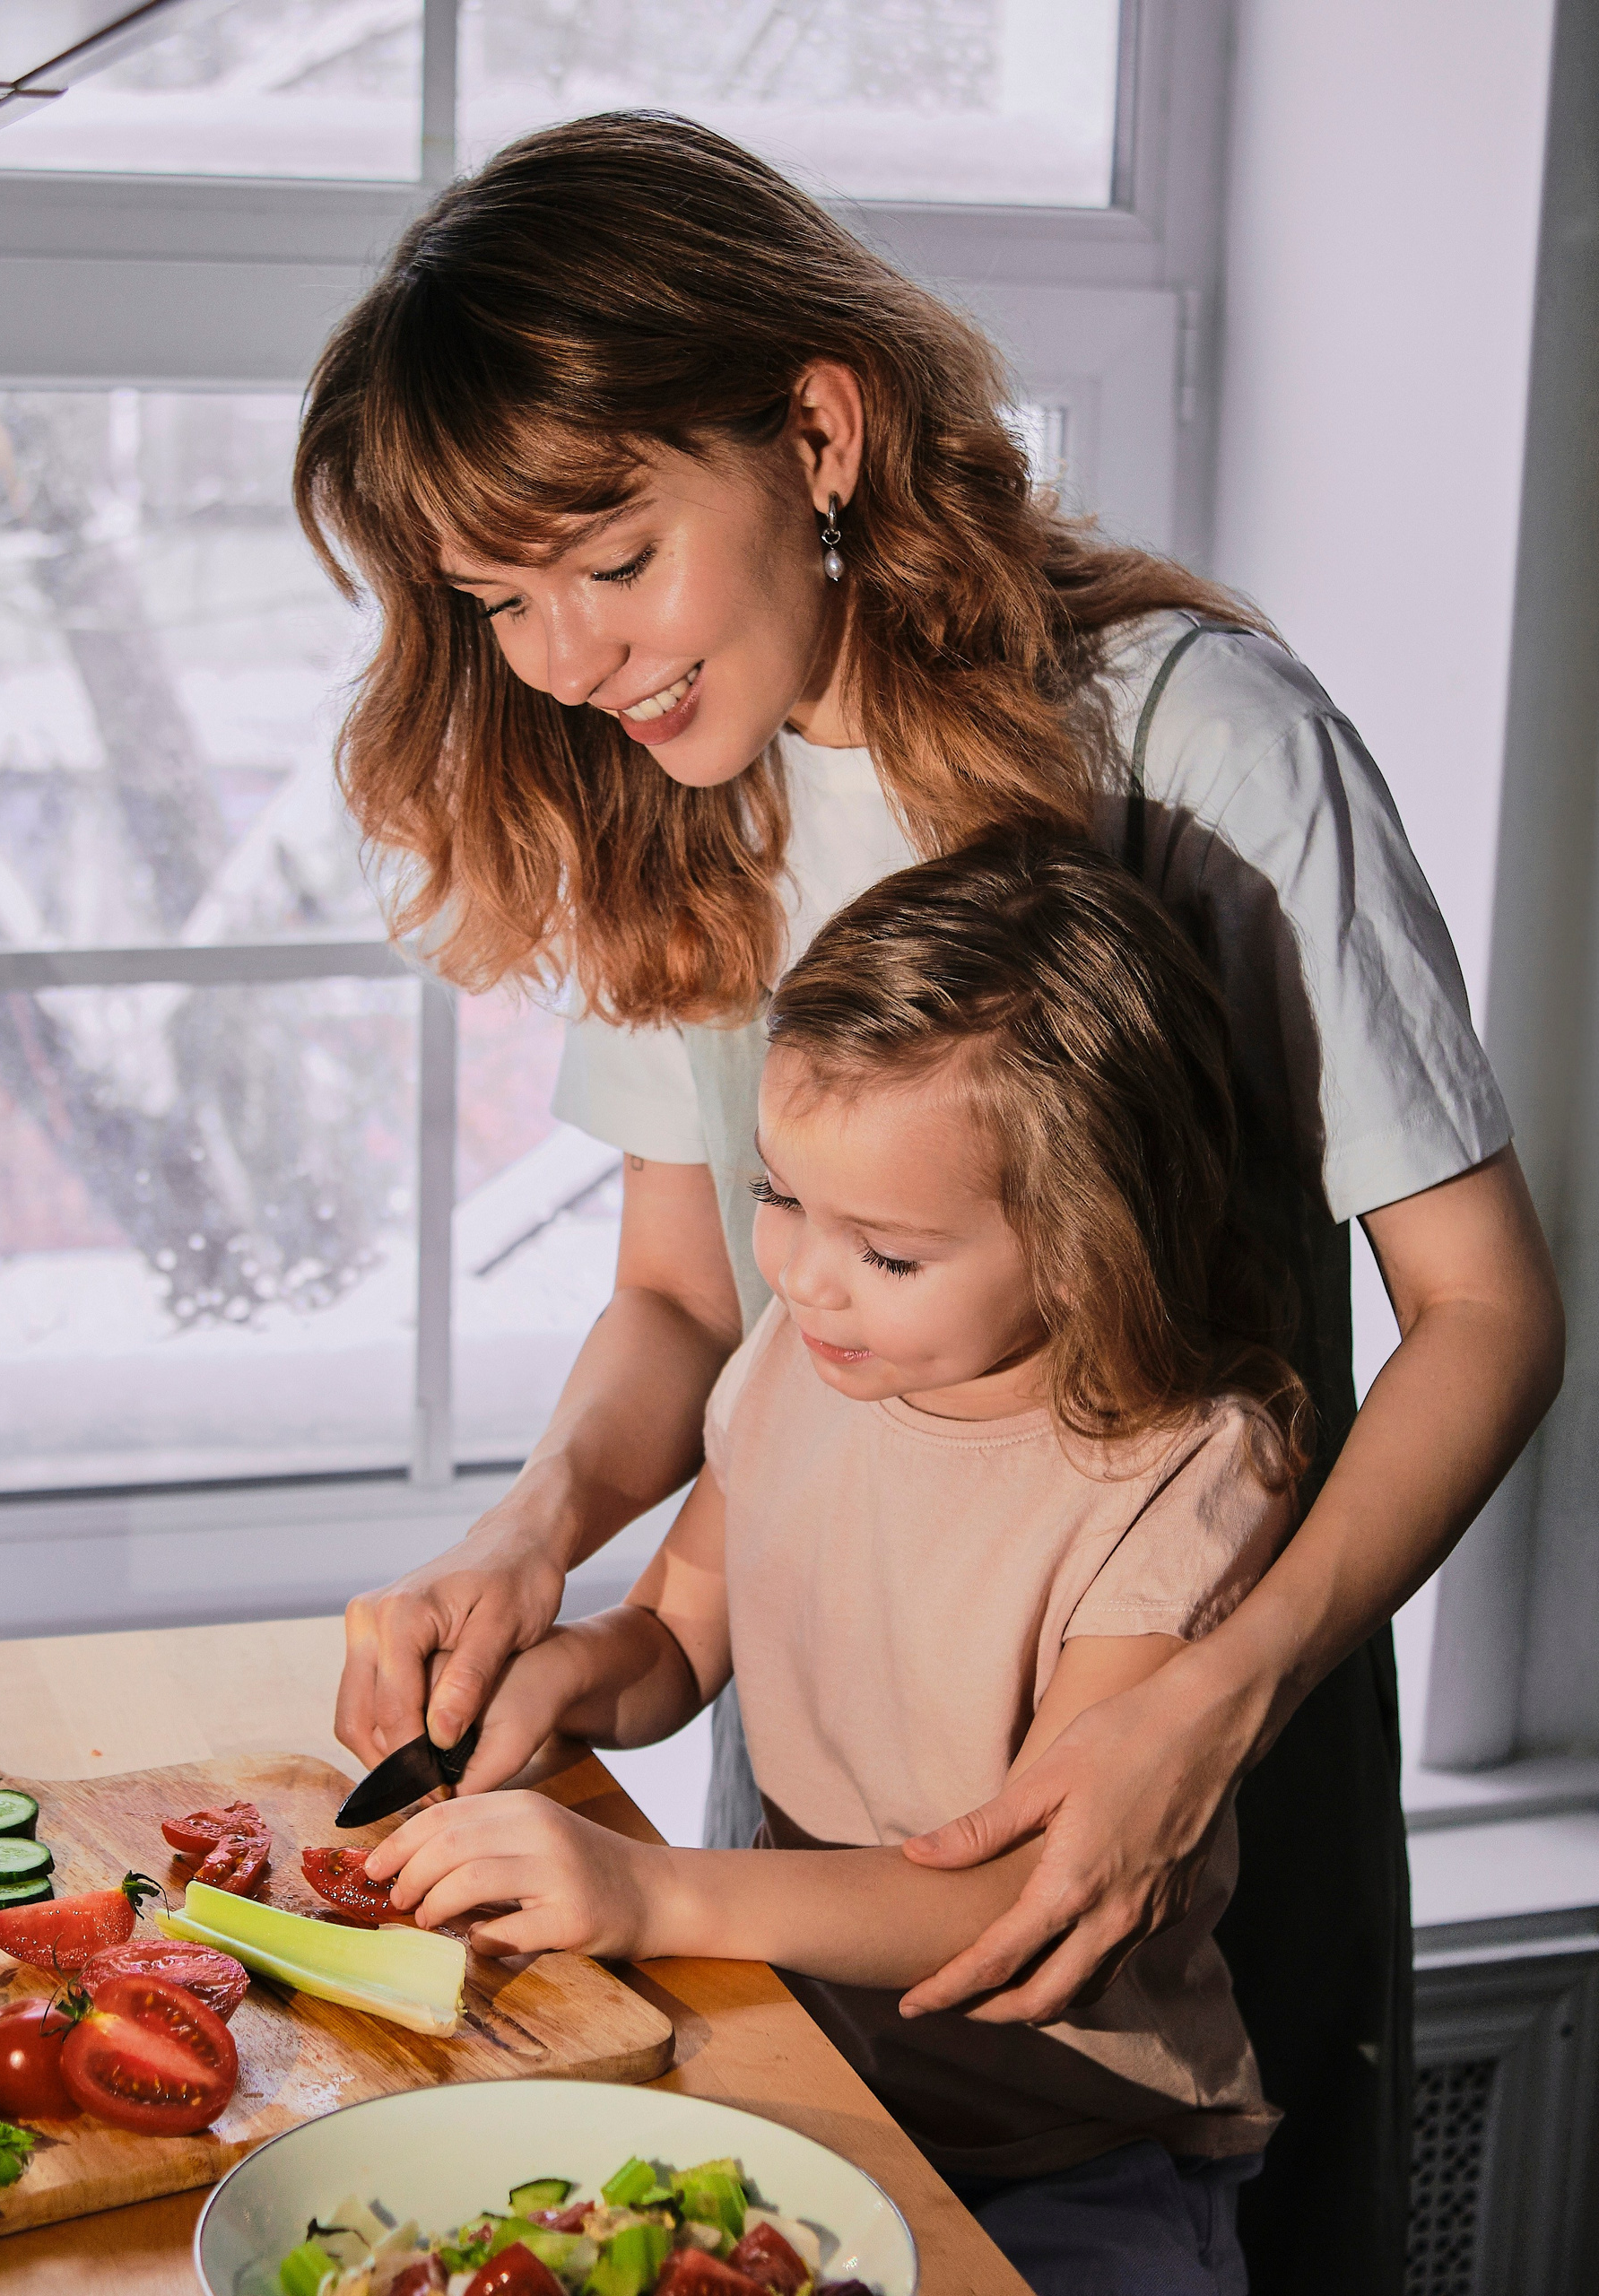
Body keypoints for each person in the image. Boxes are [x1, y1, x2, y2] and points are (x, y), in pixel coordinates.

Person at [296, 113, 1563, 2292]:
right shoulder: (666, 788)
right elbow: (689, 1306)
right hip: (811, 1836)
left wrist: (1215, 1692)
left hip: (1190, 1766)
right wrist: (530, 1538)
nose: (570, 660)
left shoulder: (1195, 744)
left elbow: (1479, 1311)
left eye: (609, 559)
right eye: (501, 604)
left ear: (811, 427)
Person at [371, 835, 1313, 2294]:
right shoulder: (807, 1360)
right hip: (811, 2085)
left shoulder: (1186, 1480)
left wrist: (647, 1892)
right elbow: (680, 1635)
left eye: (887, 1251)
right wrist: (555, 1677)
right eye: (781, 1197)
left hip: (1079, 2162)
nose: (804, 1275)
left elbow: (1015, 1900)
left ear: (1086, 1247)